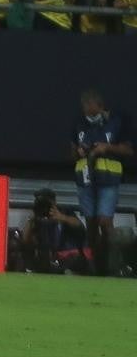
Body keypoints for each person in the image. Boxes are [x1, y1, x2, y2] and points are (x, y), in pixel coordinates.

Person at [72, 90, 132, 276]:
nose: (89, 115)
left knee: (105, 222)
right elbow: (71, 151)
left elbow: (129, 150)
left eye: (92, 111)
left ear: (100, 106)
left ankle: (113, 264)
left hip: (109, 178)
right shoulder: (79, 124)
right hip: (86, 179)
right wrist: (79, 152)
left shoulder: (117, 122)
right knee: (90, 224)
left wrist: (107, 147)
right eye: (86, 112)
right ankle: (96, 266)